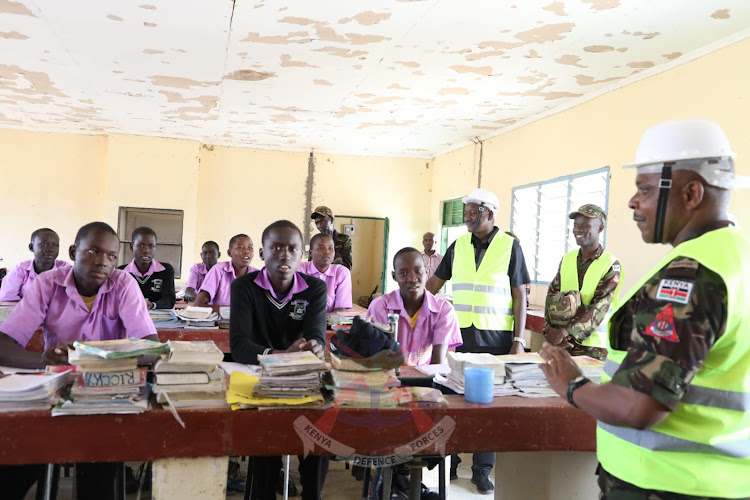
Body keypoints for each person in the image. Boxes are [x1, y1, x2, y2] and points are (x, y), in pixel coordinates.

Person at [539, 119, 750, 500]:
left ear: (691, 194)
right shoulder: (736, 257)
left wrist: (571, 384)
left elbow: (639, 405)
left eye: (646, 189)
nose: (634, 202)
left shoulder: (691, 277)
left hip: (668, 484)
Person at [0, 222, 159, 500]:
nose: (102, 262)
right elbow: (3, 344)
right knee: (16, 463)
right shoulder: (48, 283)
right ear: (74, 251)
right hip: (55, 387)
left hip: (106, 392)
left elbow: (152, 348)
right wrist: (43, 359)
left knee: (99, 466)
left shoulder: (124, 284)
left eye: (111, 256)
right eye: (93, 251)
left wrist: (95, 356)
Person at [426, 188, 530, 494]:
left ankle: (482, 470)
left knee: (489, 407)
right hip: (458, 338)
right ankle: (454, 461)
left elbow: (520, 293)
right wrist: (408, 305)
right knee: (456, 401)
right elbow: (435, 282)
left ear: (490, 213)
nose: (468, 217)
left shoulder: (509, 246)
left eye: (473, 211)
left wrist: (519, 340)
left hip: (496, 339)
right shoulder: (457, 245)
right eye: (466, 212)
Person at [229, 220, 327, 500]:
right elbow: (239, 345)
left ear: (302, 255)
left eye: (292, 248)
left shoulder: (315, 288)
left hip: (301, 376)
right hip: (259, 375)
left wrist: (314, 347)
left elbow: (317, 336)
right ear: (262, 254)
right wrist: (280, 356)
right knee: (265, 438)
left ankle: (312, 494)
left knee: (318, 431)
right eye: (276, 248)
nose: (285, 255)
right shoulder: (244, 287)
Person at [543, 204, 622, 360]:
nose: (578, 229)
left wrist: (565, 332)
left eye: (585, 225)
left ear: (600, 228)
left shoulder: (611, 264)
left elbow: (600, 306)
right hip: (562, 344)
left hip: (593, 348)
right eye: (576, 225)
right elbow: (552, 295)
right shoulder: (567, 259)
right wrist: (549, 330)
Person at [368, 247, 461, 366]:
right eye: (403, 273)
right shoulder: (380, 307)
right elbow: (378, 358)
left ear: (426, 272)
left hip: (425, 377)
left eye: (418, 271)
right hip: (387, 378)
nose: (412, 279)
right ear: (394, 276)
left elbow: (437, 364)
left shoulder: (443, 310)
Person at [0, 228, 71, 301]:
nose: (50, 249)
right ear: (31, 247)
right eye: (44, 244)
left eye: (55, 245)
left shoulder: (65, 268)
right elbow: (6, 298)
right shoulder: (21, 269)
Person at [118, 227, 176, 310]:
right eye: (141, 245)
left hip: (158, 319)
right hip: (129, 316)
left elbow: (169, 300)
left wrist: (152, 305)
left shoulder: (165, 270)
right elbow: (116, 300)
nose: (146, 250)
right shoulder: (121, 272)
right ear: (131, 247)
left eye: (151, 246)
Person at [195, 234, 257, 307]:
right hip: (220, 318)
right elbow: (198, 304)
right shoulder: (218, 270)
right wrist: (232, 311)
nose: (246, 251)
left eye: (250, 247)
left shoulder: (257, 275)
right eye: (240, 247)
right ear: (229, 253)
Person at [298, 233, 352, 313]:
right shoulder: (299, 270)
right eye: (320, 248)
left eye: (330, 248)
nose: (327, 251)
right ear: (310, 253)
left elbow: (341, 311)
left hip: (329, 323)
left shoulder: (341, 273)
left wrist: (319, 321)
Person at [310, 205, 352, 270]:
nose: (319, 226)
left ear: (331, 220)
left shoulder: (344, 239)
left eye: (322, 221)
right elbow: (310, 265)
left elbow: (347, 266)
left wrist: (324, 259)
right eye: (316, 223)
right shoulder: (315, 241)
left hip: (337, 278)